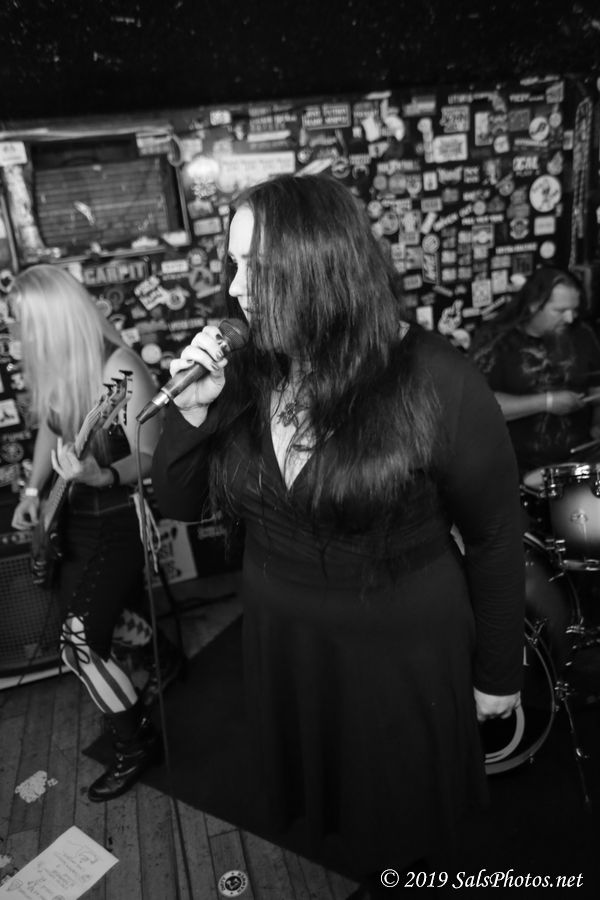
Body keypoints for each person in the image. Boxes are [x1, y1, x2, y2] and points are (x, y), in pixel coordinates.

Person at [150, 174, 525, 896]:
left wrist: (498, 675)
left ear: (319, 266)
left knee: (409, 821)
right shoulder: (247, 369)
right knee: (336, 806)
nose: (234, 289)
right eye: (232, 265)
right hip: (286, 642)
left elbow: (495, 538)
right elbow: (179, 501)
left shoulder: (438, 379)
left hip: (400, 649)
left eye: (254, 268)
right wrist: (190, 414)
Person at [9, 264, 173, 802]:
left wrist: (100, 475)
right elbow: (50, 430)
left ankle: (135, 743)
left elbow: (150, 456)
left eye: (20, 322)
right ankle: (162, 654)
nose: (13, 332)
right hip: (72, 515)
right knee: (85, 621)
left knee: (78, 641)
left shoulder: (118, 368)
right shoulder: (56, 362)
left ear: (51, 319)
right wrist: (32, 492)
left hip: (118, 517)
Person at [469, 267, 600, 477]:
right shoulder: (496, 341)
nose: (570, 318)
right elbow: (476, 406)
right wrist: (546, 402)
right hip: (514, 467)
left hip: (580, 462)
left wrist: (596, 424)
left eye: (574, 310)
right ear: (533, 305)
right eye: (560, 310)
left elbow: (595, 385)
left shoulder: (583, 334)